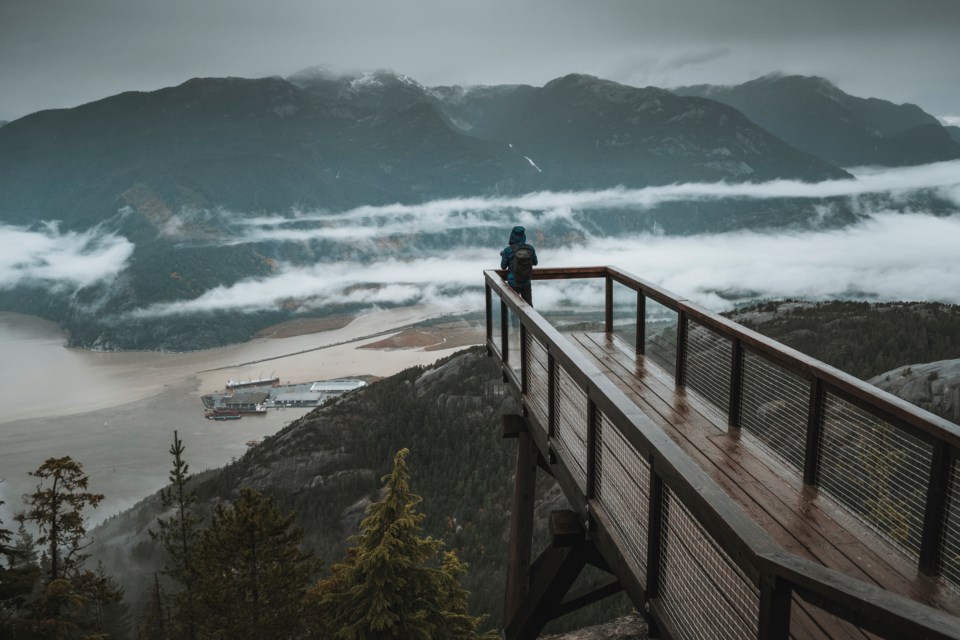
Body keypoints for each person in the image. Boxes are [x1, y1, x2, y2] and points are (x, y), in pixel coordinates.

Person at [500, 225, 538, 304]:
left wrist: (503, 255)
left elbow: (503, 266)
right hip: (526, 281)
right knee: (529, 306)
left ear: (512, 236)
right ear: (524, 236)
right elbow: (535, 262)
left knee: (514, 307)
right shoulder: (530, 248)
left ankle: (514, 317)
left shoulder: (508, 250)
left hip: (513, 282)